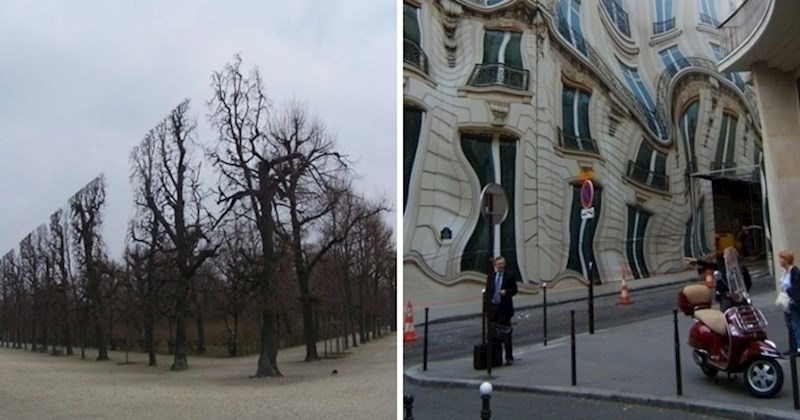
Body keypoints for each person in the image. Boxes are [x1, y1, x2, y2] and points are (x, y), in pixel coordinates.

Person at [685, 247, 751, 311]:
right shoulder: (721, 265)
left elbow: (748, 281)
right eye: (726, 255)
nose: (725, 257)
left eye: (728, 255)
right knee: (726, 311)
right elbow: (708, 265)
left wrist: (744, 291)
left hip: (739, 294)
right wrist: (696, 261)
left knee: (747, 308)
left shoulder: (741, 268)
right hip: (725, 295)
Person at [485, 256, 518, 365]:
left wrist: (506, 292)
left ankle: (509, 357)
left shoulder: (509, 276)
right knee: (493, 334)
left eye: (502, 264)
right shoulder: (491, 277)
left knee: (506, 334)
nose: (501, 266)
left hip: (504, 309)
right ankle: (496, 357)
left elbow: (515, 290)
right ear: (495, 265)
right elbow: (488, 291)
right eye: (499, 264)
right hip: (494, 308)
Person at [779, 250, 800, 355]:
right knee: (789, 325)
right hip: (786, 302)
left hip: (793, 302)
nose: (779, 260)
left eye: (782, 258)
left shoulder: (794, 271)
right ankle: (793, 346)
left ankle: (799, 347)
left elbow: (796, 286)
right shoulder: (784, 272)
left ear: (787, 260)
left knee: (796, 324)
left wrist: (789, 292)